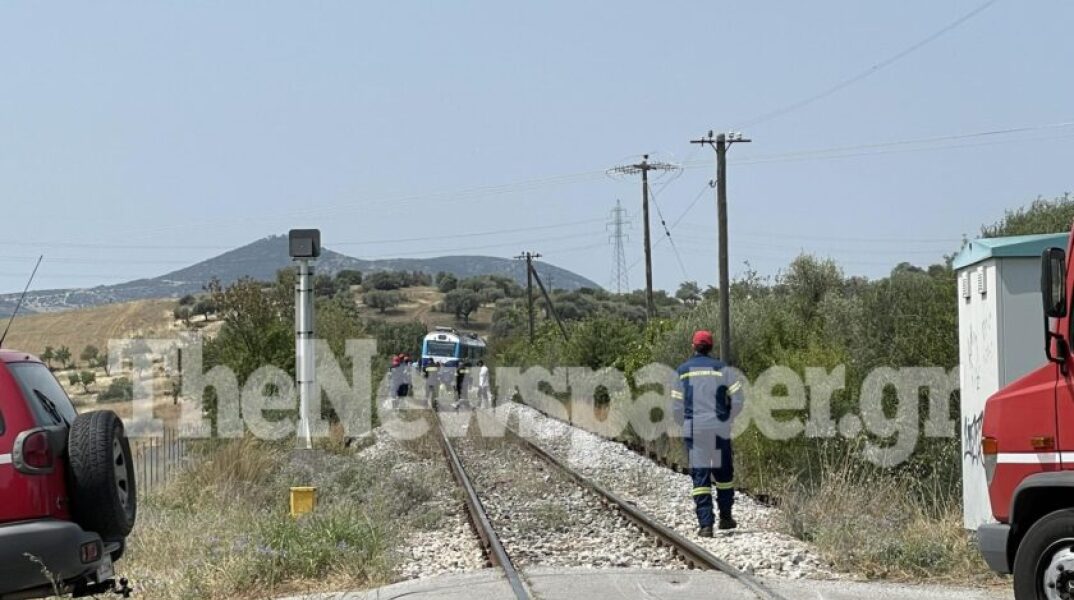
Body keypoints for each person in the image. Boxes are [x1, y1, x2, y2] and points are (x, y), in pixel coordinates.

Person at [671, 330, 745, 537]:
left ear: (693, 346)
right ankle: (726, 518)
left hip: (695, 430)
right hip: (719, 429)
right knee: (724, 476)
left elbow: (676, 406)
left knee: (700, 477)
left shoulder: (682, 371)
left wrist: (685, 424)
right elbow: (738, 400)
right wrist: (727, 419)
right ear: (711, 347)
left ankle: (705, 525)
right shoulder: (723, 370)